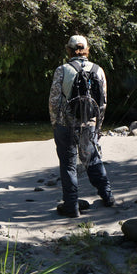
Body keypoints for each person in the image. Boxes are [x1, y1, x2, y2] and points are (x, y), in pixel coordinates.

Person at [48, 35, 116, 218]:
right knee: (92, 159)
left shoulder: (62, 70)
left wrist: (55, 123)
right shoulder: (98, 70)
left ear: (68, 50)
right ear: (87, 50)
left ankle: (71, 206)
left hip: (66, 124)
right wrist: (98, 126)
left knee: (68, 165)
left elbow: (54, 101)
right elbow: (103, 103)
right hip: (89, 123)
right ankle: (107, 196)